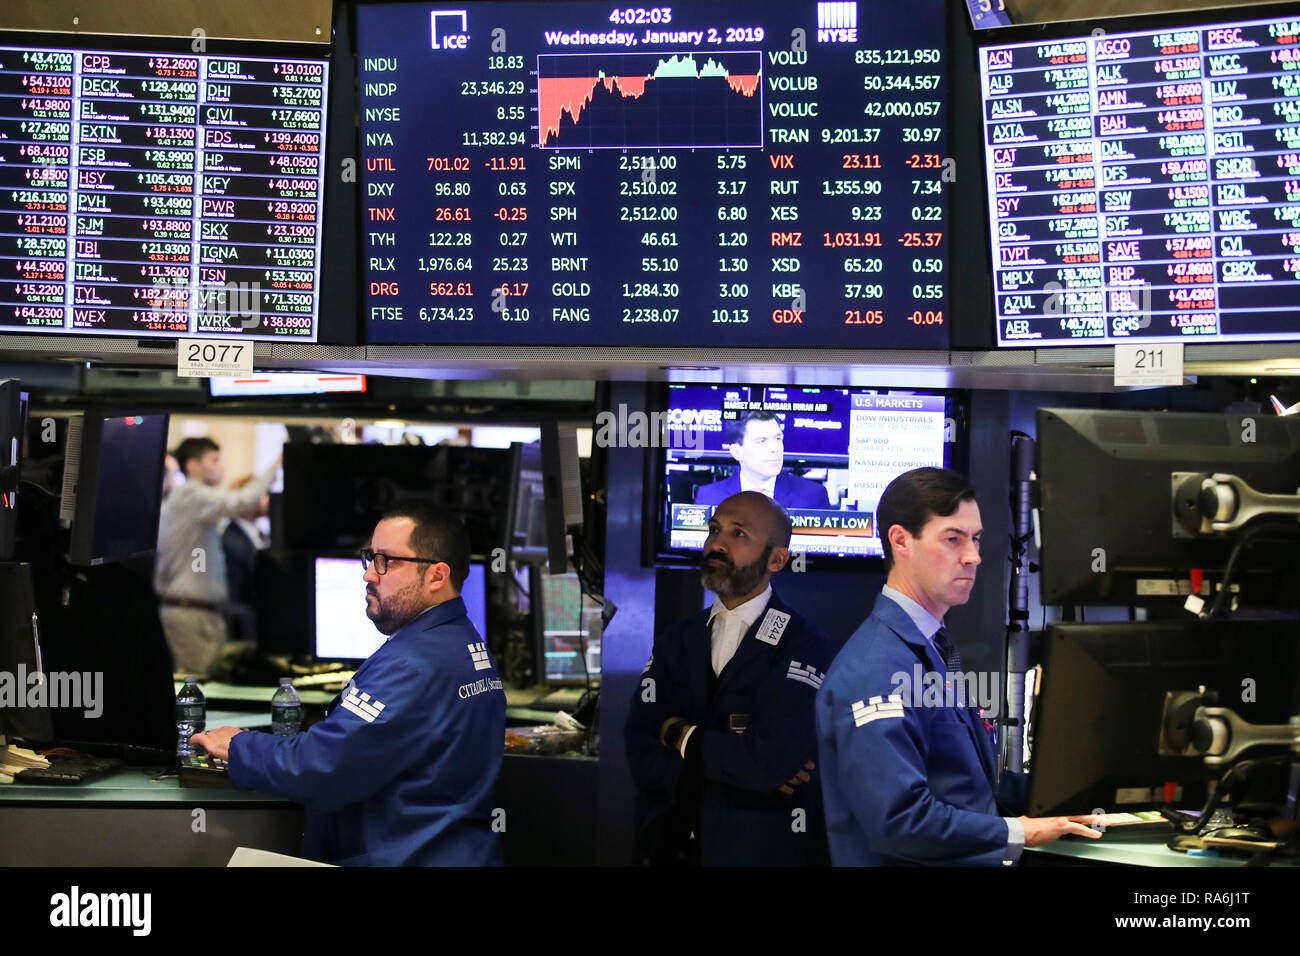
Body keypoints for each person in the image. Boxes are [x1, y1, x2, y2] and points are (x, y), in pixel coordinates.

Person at [815, 467, 1101, 865]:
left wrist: (1079, 789)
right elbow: (899, 821)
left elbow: (969, 787)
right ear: (901, 540)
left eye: (976, 539)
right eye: (953, 539)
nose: (974, 556)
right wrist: (1020, 831)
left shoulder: (930, 647)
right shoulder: (875, 667)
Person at [193, 504, 506, 866]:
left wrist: (239, 746)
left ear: (436, 576)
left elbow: (322, 767)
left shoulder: (413, 664)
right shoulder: (463, 643)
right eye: (370, 558)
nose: (369, 575)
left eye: (386, 561)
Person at [625, 491, 838, 865]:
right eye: (714, 529)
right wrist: (734, 772)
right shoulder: (678, 638)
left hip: (760, 852)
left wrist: (677, 734)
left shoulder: (805, 643)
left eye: (738, 534)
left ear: (777, 558)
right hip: (670, 848)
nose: (717, 544)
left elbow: (767, 762)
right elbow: (639, 745)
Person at [153, 437, 280, 677]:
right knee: (200, 686)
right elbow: (243, 500)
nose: (220, 466)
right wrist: (276, 465)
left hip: (199, 612)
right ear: (192, 465)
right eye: (214, 460)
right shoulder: (191, 495)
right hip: (191, 613)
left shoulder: (192, 501)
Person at [693, 411, 832, 509]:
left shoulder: (812, 496)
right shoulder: (709, 497)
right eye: (762, 441)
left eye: (778, 438)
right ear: (737, 452)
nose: (775, 448)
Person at [221, 475, 270, 646]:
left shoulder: (259, 533)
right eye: (262, 495)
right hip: (243, 620)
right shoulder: (232, 539)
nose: (266, 500)